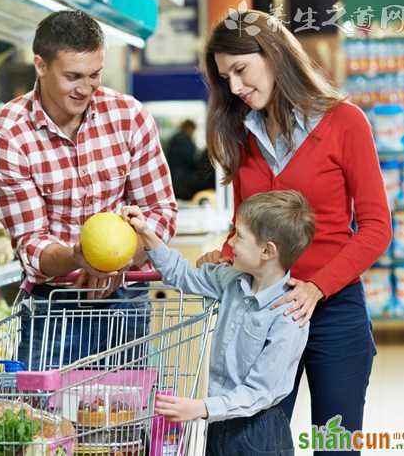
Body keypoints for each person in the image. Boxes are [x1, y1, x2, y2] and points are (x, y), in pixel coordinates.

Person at [196, 9, 392, 455]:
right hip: (262, 314)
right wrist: (227, 251)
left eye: (241, 70)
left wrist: (316, 288)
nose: (235, 88)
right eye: (225, 78)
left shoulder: (345, 123)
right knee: (254, 443)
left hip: (334, 312)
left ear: (275, 54)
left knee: (334, 446)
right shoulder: (243, 134)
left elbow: (376, 228)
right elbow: (248, 225)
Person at [0, 10, 177, 370]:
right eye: (72, 76)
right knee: (49, 420)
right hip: (56, 307)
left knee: (125, 418)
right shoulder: (8, 136)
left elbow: (161, 211)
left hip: (126, 301)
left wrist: (116, 260)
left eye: (94, 75)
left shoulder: (129, 116)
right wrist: (79, 258)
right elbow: (31, 242)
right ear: (40, 65)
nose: (86, 88)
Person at [122, 189, 316, 456]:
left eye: (239, 235)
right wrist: (146, 233)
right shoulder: (230, 280)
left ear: (267, 251)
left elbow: (260, 392)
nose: (231, 242)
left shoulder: (289, 316)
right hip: (217, 425)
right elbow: (182, 275)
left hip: (259, 434)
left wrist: (199, 408)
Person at [166, 119, 199, 200]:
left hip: (174, 176)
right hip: (183, 178)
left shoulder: (175, 138)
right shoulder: (184, 140)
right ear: (189, 128)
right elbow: (190, 158)